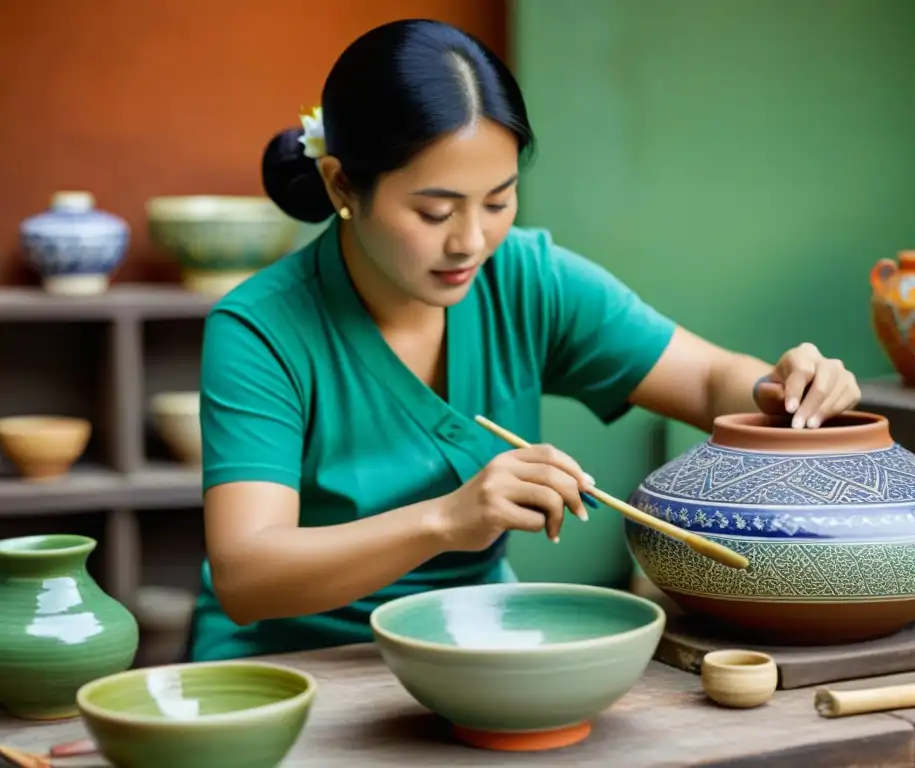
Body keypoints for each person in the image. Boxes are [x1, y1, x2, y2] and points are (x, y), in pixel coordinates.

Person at [189, 18, 861, 662]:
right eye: (434, 210)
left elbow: (710, 380)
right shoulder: (261, 329)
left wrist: (782, 390)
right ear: (344, 185)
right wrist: (447, 520)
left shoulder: (526, 279)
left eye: (499, 200)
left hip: (475, 650)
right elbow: (249, 575)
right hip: (298, 667)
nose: (471, 241)